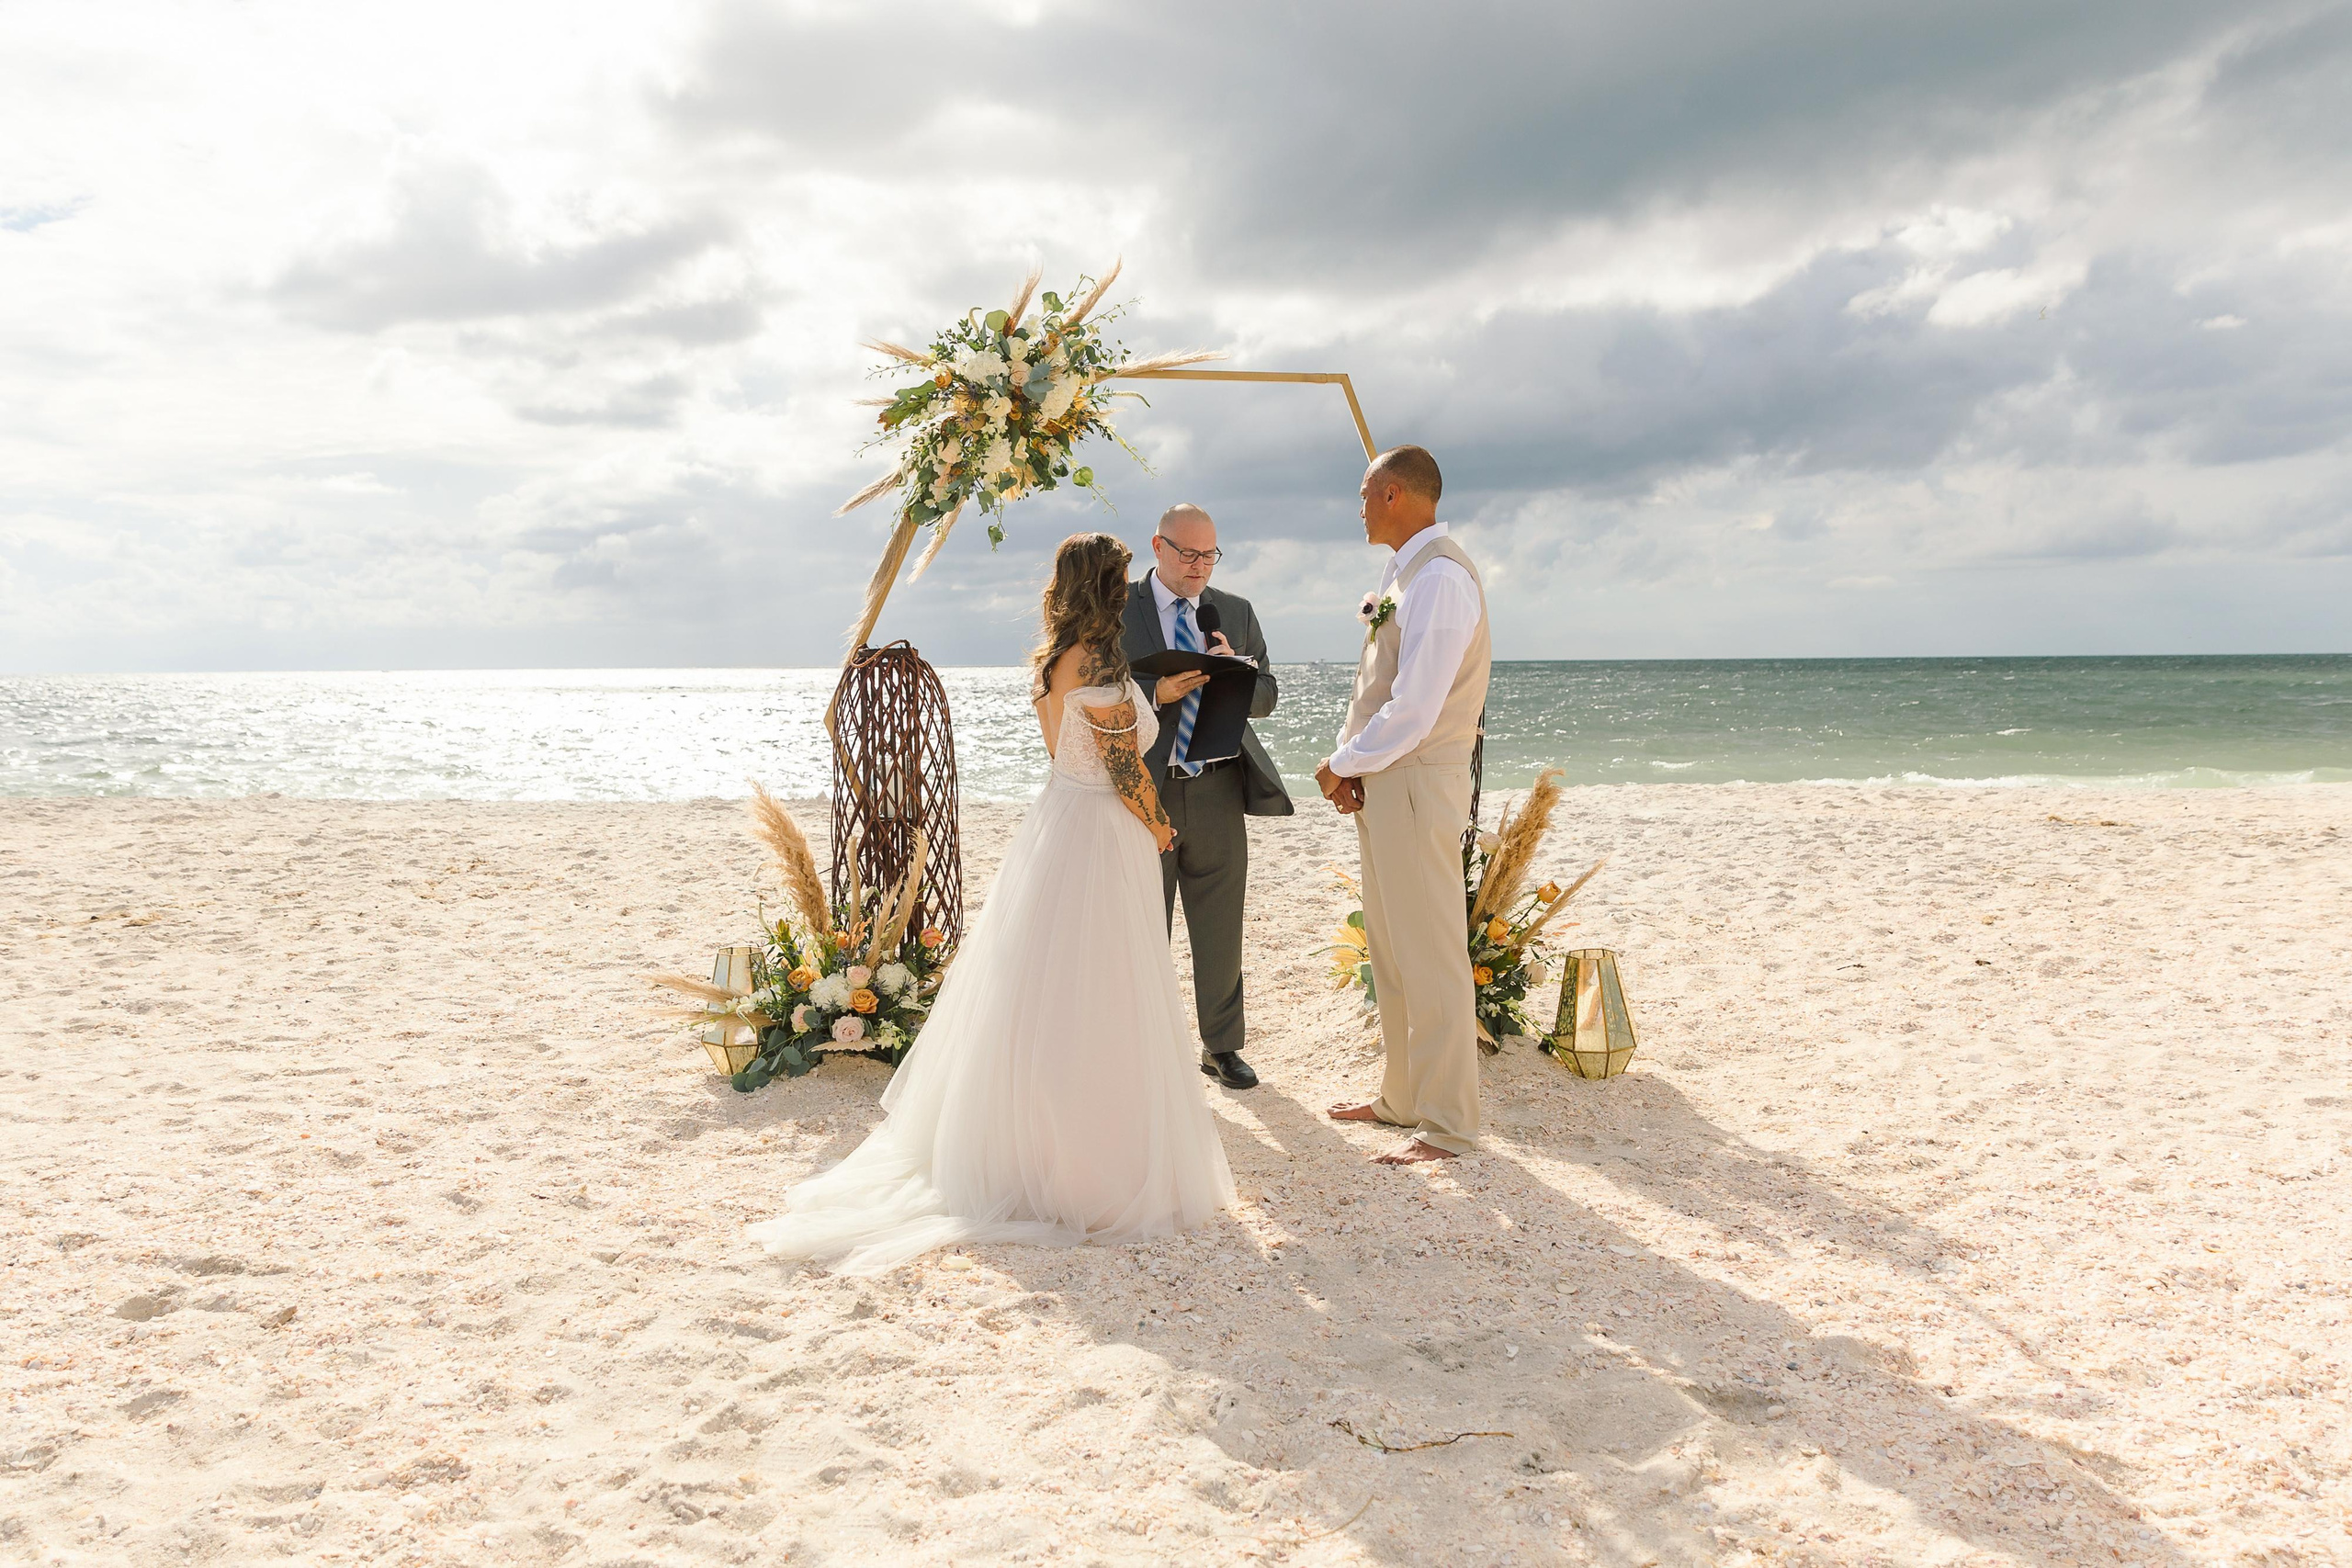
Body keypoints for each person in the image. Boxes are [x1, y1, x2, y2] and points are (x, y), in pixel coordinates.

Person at [749, 533, 1235, 1273]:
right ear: (1106, 586)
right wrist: (1162, 824)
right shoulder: (1102, 661)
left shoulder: (1055, 659)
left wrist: (1156, 694)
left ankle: (1029, 1138)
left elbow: (1078, 736)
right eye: (1122, 577)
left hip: (1058, 821)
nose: (1128, 586)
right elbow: (1122, 767)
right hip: (1105, 830)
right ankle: (1087, 1158)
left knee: (1041, 989)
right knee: (1102, 988)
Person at [1315, 446, 1493, 1165]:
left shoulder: (1442, 579)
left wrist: (1341, 764)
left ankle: (1449, 1124)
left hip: (1418, 783)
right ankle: (1402, 1097)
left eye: (1363, 493)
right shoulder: (1402, 574)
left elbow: (1415, 708)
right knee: (1389, 949)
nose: (1357, 506)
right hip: (1387, 784)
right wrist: (1351, 763)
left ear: (1393, 494)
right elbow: (1374, 685)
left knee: (1434, 955)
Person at [1121, 503, 1294, 1091]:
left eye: (1210, 555)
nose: (1200, 567)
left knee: (1220, 926)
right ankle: (1137, 1045)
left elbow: (1269, 697)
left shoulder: (1237, 612)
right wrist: (1156, 690)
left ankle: (1221, 1048)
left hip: (1219, 786)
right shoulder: (1118, 608)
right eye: (1189, 554)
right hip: (1147, 793)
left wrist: (1235, 674)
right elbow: (1093, 687)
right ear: (1158, 546)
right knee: (1143, 925)